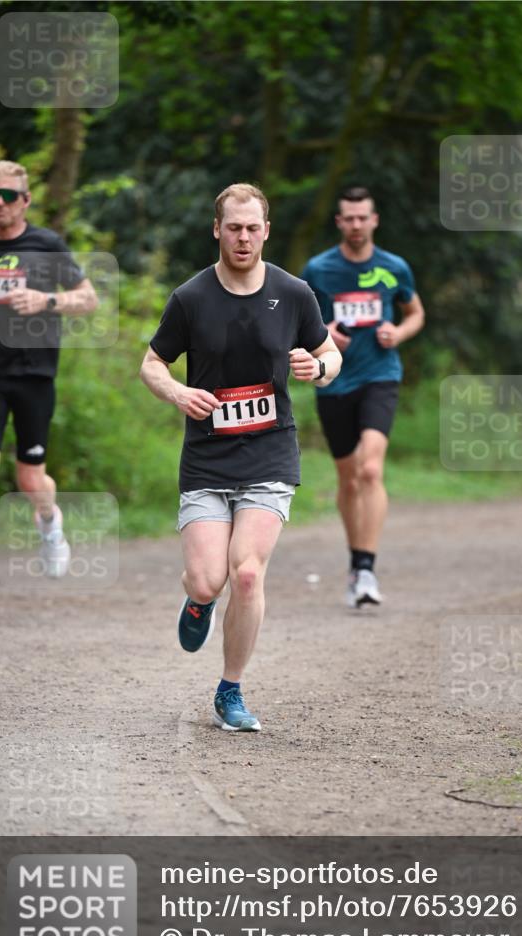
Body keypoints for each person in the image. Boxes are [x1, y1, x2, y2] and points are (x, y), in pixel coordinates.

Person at [140, 183, 341, 733]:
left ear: (266, 231)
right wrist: (178, 393)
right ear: (217, 230)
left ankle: (230, 690)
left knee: (247, 575)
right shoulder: (191, 298)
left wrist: (318, 369)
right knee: (207, 581)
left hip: (270, 453)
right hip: (206, 459)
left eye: (253, 228)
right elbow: (152, 364)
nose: (244, 237)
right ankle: (199, 602)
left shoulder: (294, 293)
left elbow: (329, 353)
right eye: (234, 228)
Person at [0, 159, 98, 617]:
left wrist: (47, 299)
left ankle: (49, 520)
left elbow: (89, 298)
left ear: (25, 201)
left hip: (35, 374)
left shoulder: (46, 245)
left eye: (8, 196)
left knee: (28, 479)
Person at [301, 186, 425, 609]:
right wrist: (324, 336)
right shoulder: (318, 270)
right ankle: (356, 565)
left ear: (374, 220)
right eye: (348, 218)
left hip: (380, 375)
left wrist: (399, 333)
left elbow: (415, 313)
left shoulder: (394, 267)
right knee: (348, 478)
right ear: (340, 223)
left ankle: (366, 567)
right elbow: (300, 322)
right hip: (334, 381)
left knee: (370, 470)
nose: (356, 224)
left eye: (363, 217)